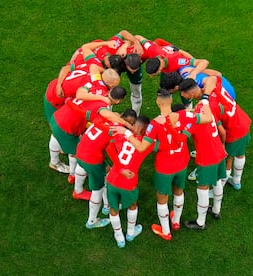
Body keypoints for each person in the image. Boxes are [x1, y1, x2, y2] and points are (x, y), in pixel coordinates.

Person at [112, 88, 213, 240]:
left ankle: (166, 231)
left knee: (162, 199)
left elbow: (140, 147)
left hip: (165, 167)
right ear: (171, 101)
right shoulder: (185, 114)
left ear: (158, 103)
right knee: (179, 191)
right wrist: (205, 100)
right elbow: (208, 118)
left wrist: (125, 132)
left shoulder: (154, 125)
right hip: (182, 162)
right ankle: (176, 221)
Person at [49, 83, 131, 199]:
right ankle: (74, 182)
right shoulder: (103, 111)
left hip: (58, 116)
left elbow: (81, 90)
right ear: (118, 101)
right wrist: (127, 125)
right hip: (67, 128)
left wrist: (69, 102)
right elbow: (104, 116)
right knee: (76, 154)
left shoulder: (97, 88)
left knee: (70, 147)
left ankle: (68, 171)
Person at [75, 109, 137, 229]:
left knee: (106, 172)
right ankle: (92, 221)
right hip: (92, 160)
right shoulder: (117, 131)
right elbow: (114, 150)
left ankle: (106, 205)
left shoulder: (105, 117)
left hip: (81, 151)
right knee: (98, 189)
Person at [179, 78, 227, 229]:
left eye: (185, 95)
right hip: (218, 150)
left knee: (203, 188)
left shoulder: (194, 121)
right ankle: (217, 210)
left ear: (190, 93)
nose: (184, 97)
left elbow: (181, 138)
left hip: (207, 156)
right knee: (218, 180)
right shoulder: (204, 106)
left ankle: (200, 222)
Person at [106, 116, 153, 248]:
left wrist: (120, 168)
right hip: (128, 182)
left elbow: (109, 148)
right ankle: (130, 233)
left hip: (113, 179)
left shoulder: (120, 137)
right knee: (132, 205)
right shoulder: (147, 144)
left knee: (113, 208)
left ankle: (119, 237)